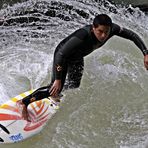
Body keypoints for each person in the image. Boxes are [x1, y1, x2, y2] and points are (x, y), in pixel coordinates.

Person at [17, 14, 148, 120]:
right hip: (63, 57)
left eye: (106, 32)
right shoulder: (82, 35)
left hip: (77, 58)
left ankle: (53, 91)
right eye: (100, 31)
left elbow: (132, 35)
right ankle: (24, 103)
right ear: (93, 28)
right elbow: (61, 54)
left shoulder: (113, 29)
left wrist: (145, 53)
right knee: (56, 87)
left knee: (74, 84)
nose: (103, 36)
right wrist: (58, 79)